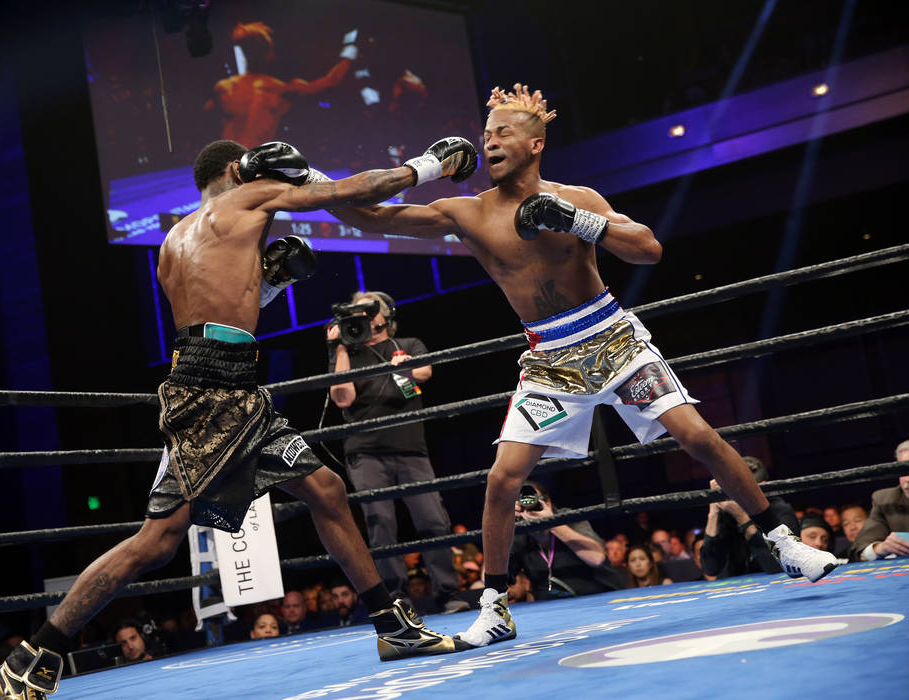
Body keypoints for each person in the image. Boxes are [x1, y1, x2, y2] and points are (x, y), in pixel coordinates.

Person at [326, 82, 838, 648]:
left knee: (697, 435)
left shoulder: (578, 197)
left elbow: (648, 248)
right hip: (549, 359)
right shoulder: (465, 211)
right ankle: (495, 605)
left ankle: (784, 543)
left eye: (502, 133)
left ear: (536, 144)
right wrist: (422, 168)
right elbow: (369, 217)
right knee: (502, 480)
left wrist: (577, 220)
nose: (489, 142)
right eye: (485, 134)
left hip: (613, 338)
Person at [0, 136, 481, 699]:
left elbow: (214, 313)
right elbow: (351, 190)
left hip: (217, 381)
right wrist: (431, 165)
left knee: (326, 489)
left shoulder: (174, 239)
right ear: (234, 169)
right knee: (158, 540)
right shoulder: (251, 196)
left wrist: (269, 282)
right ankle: (34, 653)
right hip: (216, 390)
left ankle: (392, 627)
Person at [328, 290, 468, 614]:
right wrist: (338, 347)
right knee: (381, 525)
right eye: (356, 310)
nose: (362, 314)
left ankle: (447, 593)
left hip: (410, 449)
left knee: (433, 519)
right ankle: (396, 597)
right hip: (366, 451)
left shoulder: (408, 344)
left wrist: (404, 367)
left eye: (368, 308)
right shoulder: (346, 354)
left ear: (385, 314)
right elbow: (343, 398)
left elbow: (425, 372)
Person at [206, 22, 356, 147]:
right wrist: (350, 49)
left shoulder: (224, 88)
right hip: (250, 165)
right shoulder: (281, 89)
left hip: (234, 164)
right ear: (268, 53)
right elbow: (331, 80)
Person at [508, 481, 624, 599]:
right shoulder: (519, 530)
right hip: (551, 609)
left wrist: (552, 523)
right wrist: (504, 525)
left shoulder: (569, 518)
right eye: (523, 501)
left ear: (547, 503)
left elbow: (597, 558)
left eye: (533, 498)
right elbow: (493, 577)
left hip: (600, 599)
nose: (528, 505)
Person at [700, 457, 799, 579]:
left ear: (762, 487)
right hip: (739, 589)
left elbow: (778, 568)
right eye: (733, 489)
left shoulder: (780, 511)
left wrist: (743, 518)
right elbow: (710, 568)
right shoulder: (727, 511)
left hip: (778, 586)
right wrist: (713, 512)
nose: (737, 496)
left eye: (743, 490)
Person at [848, 440, 909, 561]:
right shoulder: (885, 500)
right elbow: (859, 550)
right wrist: (881, 548)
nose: (908, 478)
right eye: (904, 470)